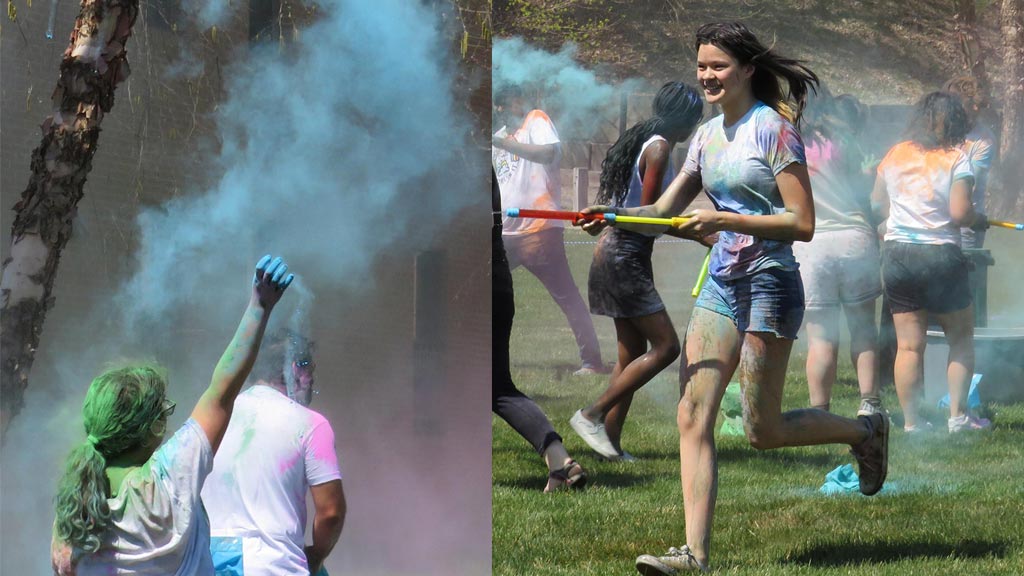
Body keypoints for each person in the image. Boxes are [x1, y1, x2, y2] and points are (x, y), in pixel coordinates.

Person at [577, 22, 888, 574]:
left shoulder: (774, 131)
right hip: (722, 282)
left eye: (718, 65)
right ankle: (694, 555)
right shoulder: (705, 136)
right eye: (701, 66)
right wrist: (613, 215)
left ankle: (863, 431)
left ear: (746, 70)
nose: (707, 76)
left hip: (771, 281)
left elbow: (803, 222)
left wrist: (723, 217)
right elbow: (663, 213)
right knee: (693, 412)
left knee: (761, 430)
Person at [51, 255, 295, 575]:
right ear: (153, 427)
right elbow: (222, 389)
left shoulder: (74, 508)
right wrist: (259, 306)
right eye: (165, 410)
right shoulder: (171, 477)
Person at [569, 82, 705, 461]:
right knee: (667, 347)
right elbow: (650, 219)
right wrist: (700, 235)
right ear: (688, 121)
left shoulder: (646, 140)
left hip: (618, 251)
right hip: (624, 254)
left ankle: (607, 445)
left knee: (632, 355)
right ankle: (590, 414)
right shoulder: (660, 147)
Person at [870, 91, 991, 434]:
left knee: (909, 345)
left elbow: (877, 205)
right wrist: (977, 218)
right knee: (961, 338)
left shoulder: (895, 154)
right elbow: (960, 213)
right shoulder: (957, 158)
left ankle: (912, 424)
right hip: (940, 254)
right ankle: (957, 418)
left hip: (897, 254)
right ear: (955, 123)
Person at [202, 329, 345, 576]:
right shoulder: (310, 424)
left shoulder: (214, 418)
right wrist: (316, 558)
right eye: (310, 368)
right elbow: (331, 512)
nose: (312, 379)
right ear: (295, 369)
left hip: (208, 563)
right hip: (273, 565)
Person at [492, 86, 606, 376]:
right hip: (506, 232)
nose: (502, 110)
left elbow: (548, 152)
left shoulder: (536, 120)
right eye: (499, 107)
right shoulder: (500, 136)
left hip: (540, 230)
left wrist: (503, 144)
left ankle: (592, 362)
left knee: (566, 295)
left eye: (506, 103)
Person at [493, 167, 588, 492]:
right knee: (497, 388)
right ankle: (560, 461)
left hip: (463, 284)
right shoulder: (470, 154)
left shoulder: (443, 159)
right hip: (495, 280)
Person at [791, 92, 883, 417]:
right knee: (863, 330)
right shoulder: (845, 140)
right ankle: (869, 405)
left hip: (811, 245)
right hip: (853, 240)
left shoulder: (790, 143)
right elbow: (865, 192)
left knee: (821, 339)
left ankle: (820, 413)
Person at [943, 76, 996, 250]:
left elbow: (969, 187)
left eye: (978, 104)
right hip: (932, 222)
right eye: (970, 103)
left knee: (968, 278)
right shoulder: (938, 131)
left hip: (967, 227)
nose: (975, 108)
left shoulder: (984, 140)